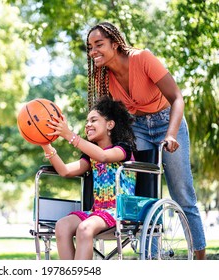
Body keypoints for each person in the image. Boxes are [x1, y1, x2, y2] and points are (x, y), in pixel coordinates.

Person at [86, 21, 206, 259]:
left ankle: (200, 260)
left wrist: (171, 133)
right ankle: (150, 258)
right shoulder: (104, 77)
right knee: (145, 193)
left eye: (98, 44)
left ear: (115, 44)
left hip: (167, 121)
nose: (93, 51)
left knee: (182, 193)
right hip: (137, 127)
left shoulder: (142, 59)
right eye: (90, 47)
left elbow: (177, 98)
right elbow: (109, 117)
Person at [41, 96, 137, 260]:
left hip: (119, 211)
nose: (88, 125)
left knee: (84, 228)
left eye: (93, 120)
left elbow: (103, 156)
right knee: (62, 226)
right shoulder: (90, 157)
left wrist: (70, 135)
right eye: (87, 121)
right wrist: (45, 143)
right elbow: (65, 171)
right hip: (97, 212)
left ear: (110, 124)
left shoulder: (123, 149)